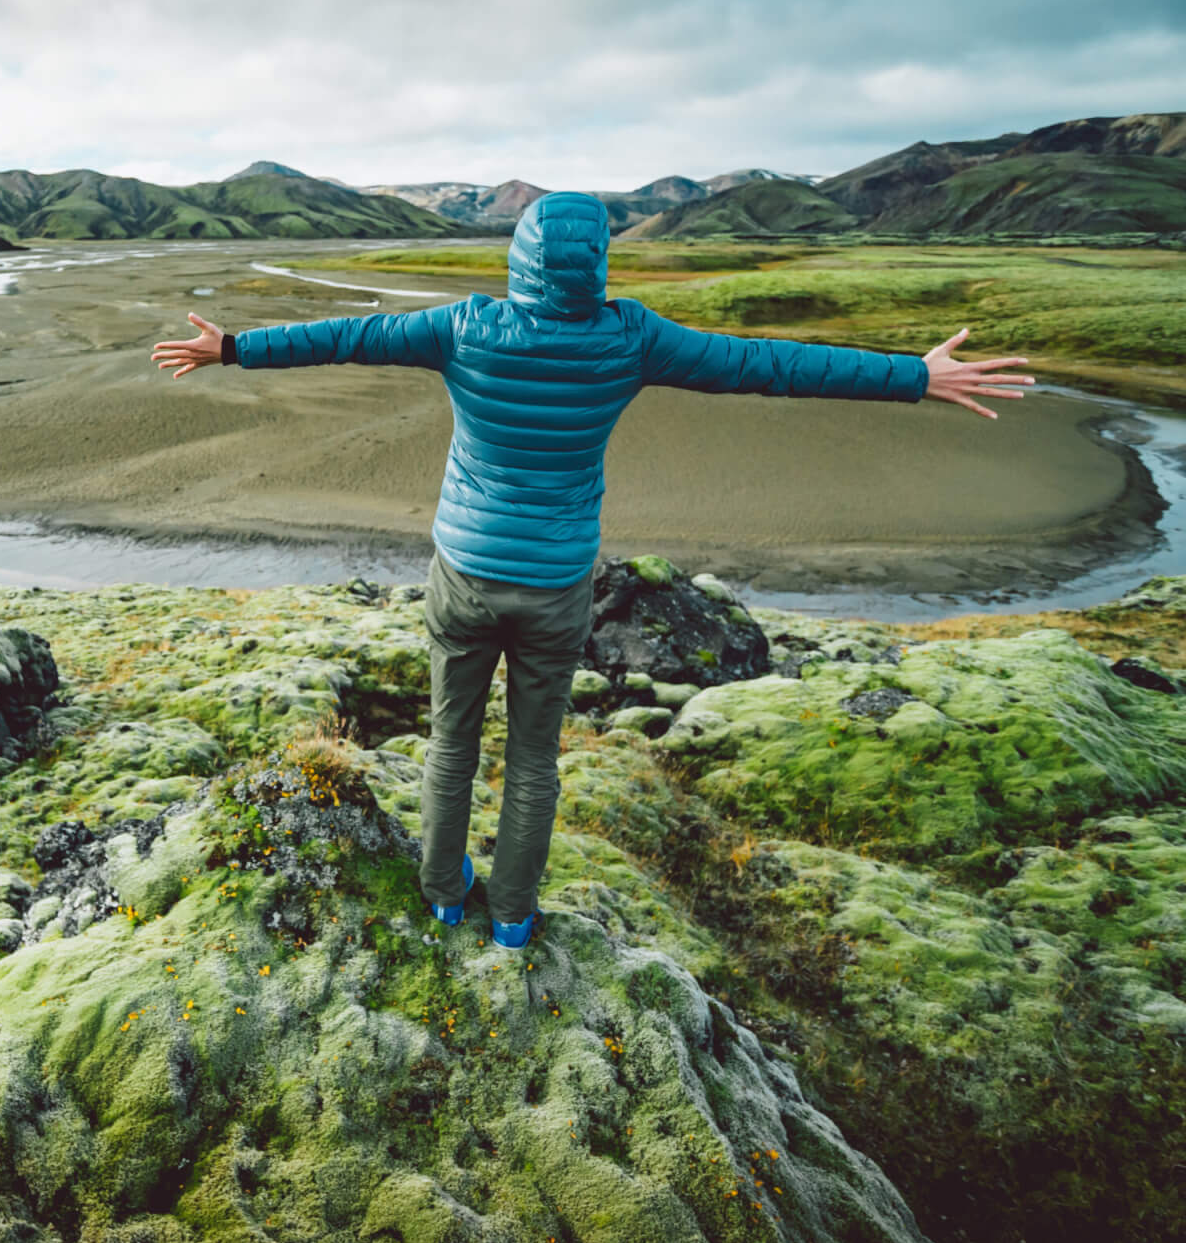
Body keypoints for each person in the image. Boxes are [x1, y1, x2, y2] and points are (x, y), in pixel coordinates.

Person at [148, 191, 1033, 950]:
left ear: (520, 258)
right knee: (534, 758)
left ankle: (444, 899)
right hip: (558, 586)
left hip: (463, 573)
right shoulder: (629, 337)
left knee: (454, 741)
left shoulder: (463, 327)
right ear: (597, 266)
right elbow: (768, 364)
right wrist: (912, 376)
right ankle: (515, 922)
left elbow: (349, 336)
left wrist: (233, 348)